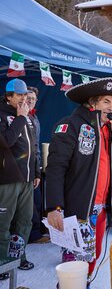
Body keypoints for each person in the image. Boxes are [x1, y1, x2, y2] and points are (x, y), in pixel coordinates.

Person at [46, 77, 112, 281]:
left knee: (91, 261)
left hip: (102, 209)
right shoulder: (71, 125)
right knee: (74, 267)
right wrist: (54, 207)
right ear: (92, 102)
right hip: (77, 210)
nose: (111, 108)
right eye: (106, 102)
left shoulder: (110, 129)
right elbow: (55, 168)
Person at [0, 79, 39, 278]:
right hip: (7, 179)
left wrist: (37, 172)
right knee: (4, 222)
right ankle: (2, 262)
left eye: (25, 95)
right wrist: (20, 118)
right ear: (8, 96)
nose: (24, 98)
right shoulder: (5, 115)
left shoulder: (27, 116)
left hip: (27, 178)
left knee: (25, 220)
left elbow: (33, 147)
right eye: (20, 95)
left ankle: (19, 257)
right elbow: (6, 141)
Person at [26, 87, 49, 244]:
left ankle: (39, 229)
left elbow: (36, 147)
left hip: (34, 167)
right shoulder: (18, 118)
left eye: (33, 98)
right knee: (30, 204)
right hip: (22, 170)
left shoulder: (35, 118)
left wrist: (38, 170)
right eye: (28, 98)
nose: (30, 101)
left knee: (37, 201)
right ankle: (33, 234)